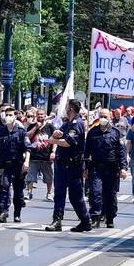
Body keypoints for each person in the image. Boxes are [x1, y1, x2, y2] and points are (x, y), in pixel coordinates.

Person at [45, 99, 92, 233]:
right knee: (59, 194)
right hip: (61, 165)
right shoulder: (67, 124)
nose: (65, 109)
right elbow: (59, 133)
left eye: (67, 107)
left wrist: (53, 140)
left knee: (75, 196)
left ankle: (85, 220)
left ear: (71, 109)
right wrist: (56, 134)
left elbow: (68, 142)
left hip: (73, 166)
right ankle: (57, 221)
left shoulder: (77, 124)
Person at [85, 107, 129, 229]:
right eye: (101, 116)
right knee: (95, 192)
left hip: (112, 169)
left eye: (105, 116)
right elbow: (86, 151)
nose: (103, 119)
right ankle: (95, 217)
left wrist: (123, 168)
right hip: (96, 168)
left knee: (110, 195)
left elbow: (122, 152)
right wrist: (85, 168)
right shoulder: (92, 132)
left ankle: (110, 217)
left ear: (110, 118)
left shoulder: (116, 132)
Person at [0, 107, 31, 223]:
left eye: (10, 115)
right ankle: (3, 212)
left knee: (18, 191)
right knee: (4, 187)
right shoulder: (1, 132)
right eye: (6, 114)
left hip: (18, 165)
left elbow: (27, 148)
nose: (8, 117)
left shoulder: (21, 131)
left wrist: (26, 161)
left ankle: (17, 213)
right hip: (4, 165)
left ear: (15, 117)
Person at [25, 108, 55, 202]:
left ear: (45, 115)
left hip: (46, 157)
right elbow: (28, 136)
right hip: (34, 157)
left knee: (49, 177)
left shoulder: (50, 127)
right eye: (38, 114)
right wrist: (36, 128)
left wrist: (53, 152)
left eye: (42, 114)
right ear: (36, 116)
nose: (40, 116)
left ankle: (49, 193)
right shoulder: (32, 126)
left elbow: (54, 140)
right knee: (30, 177)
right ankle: (29, 192)